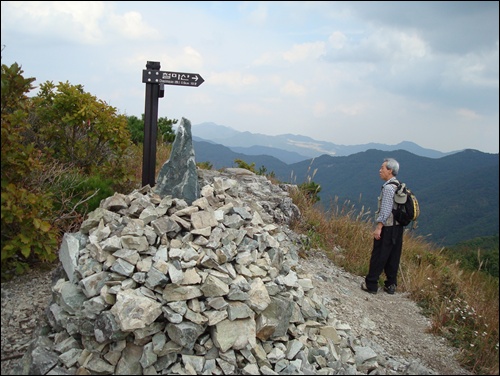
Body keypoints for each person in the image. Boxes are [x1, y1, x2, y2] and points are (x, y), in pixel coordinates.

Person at [361, 158, 405, 295]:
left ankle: (371, 284)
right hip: (398, 228)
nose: (380, 170)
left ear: (390, 171)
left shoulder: (388, 188)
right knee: (393, 256)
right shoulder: (399, 186)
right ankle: (391, 285)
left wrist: (379, 226)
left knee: (379, 254)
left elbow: (386, 210)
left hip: (387, 227)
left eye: (383, 168)